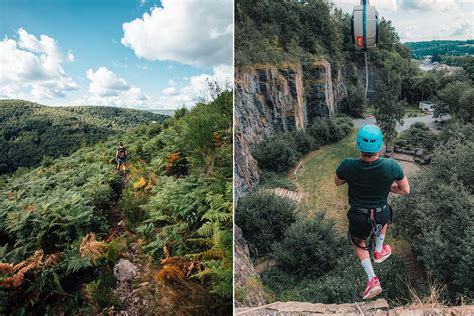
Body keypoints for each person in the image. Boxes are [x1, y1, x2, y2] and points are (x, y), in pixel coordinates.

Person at [334, 125, 410, 300]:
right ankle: (378, 250)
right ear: (379, 146)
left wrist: (353, 179)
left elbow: (338, 182)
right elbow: (405, 190)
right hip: (381, 213)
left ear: (358, 145)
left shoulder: (348, 165)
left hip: (359, 216)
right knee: (385, 217)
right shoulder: (391, 166)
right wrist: (386, 186)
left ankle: (372, 279)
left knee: (359, 243)